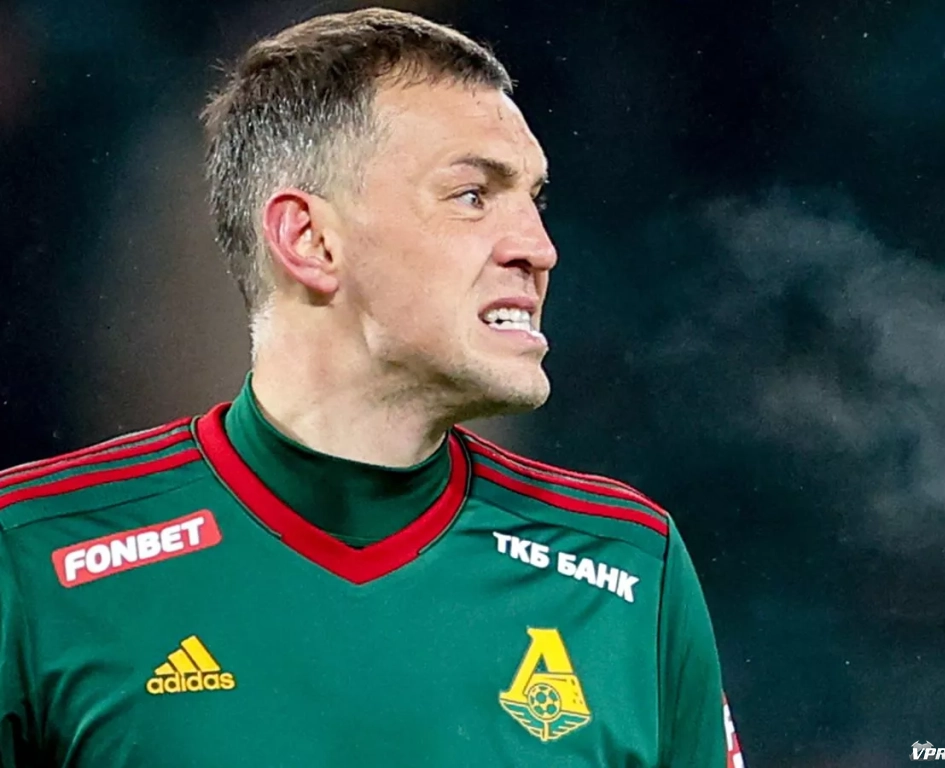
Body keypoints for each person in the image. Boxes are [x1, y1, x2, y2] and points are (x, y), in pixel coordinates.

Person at [0, 8, 743, 766]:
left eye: (534, 200)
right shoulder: (32, 558)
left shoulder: (628, 569)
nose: (538, 248)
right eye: (472, 195)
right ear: (310, 240)